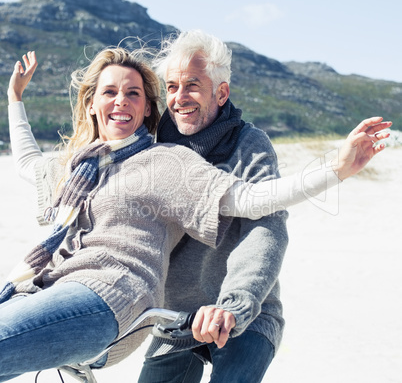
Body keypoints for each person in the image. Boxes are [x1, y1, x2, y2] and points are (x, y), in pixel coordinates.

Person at [0, 47, 389, 382]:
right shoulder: (78, 166)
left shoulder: (169, 160)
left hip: (174, 303)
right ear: (91, 103)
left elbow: (258, 208)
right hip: (168, 314)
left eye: (133, 93)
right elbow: (29, 162)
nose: (121, 100)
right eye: (110, 92)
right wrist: (15, 97)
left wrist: (337, 168)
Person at [138, 30, 391, 383]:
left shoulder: (250, 144)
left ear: (221, 92)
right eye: (172, 87)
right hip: (178, 318)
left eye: (193, 85)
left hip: (245, 313)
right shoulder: (153, 149)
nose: (179, 98)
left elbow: (265, 230)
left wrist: (234, 306)